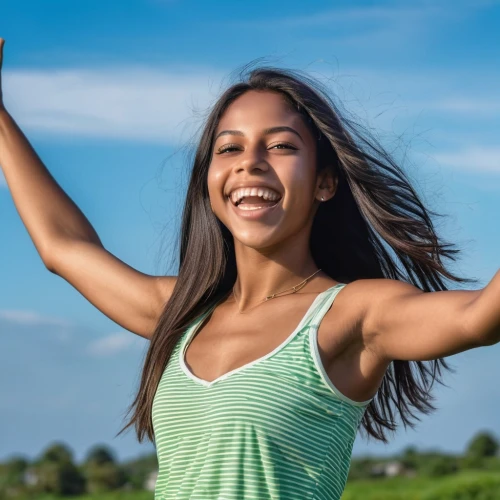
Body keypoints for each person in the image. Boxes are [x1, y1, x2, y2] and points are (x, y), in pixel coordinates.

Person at [1, 37, 498, 500]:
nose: (250, 162)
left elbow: (478, 316)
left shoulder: (353, 314)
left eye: (280, 146)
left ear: (325, 183)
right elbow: (63, 247)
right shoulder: (180, 313)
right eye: (229, 148)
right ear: (209, 182)